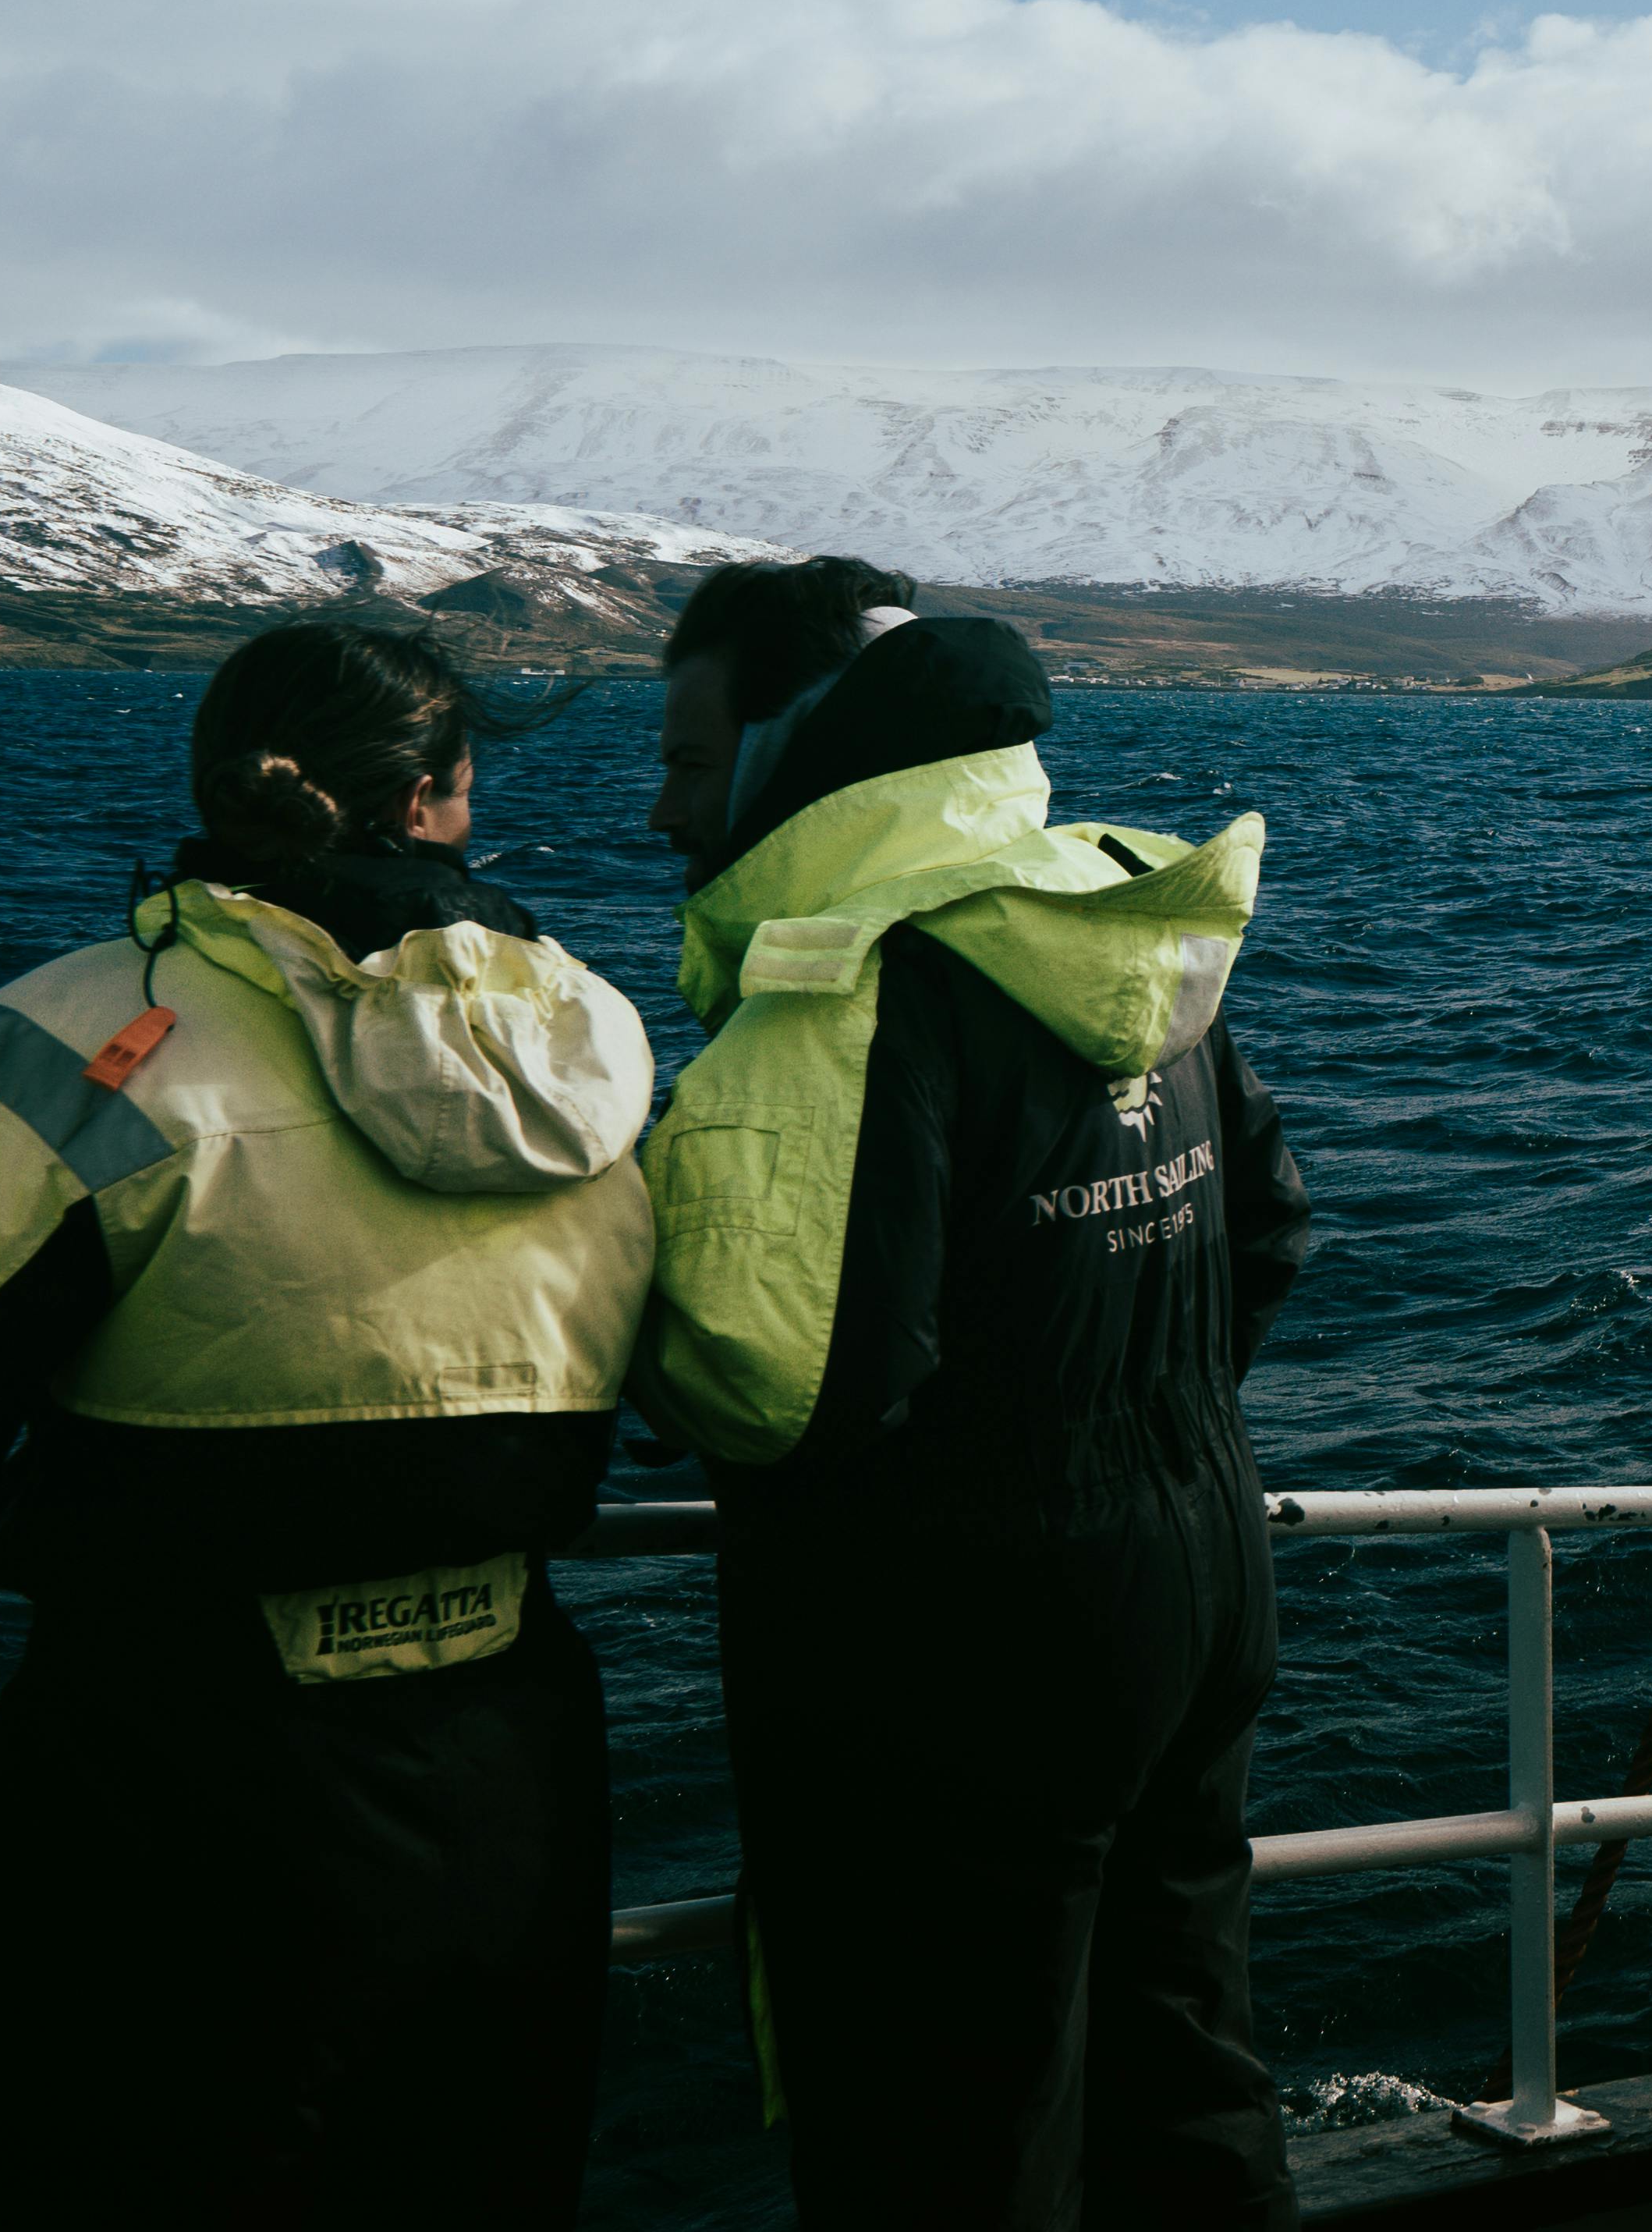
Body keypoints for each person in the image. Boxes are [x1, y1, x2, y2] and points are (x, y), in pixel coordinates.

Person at [0, 622, 656, 2226]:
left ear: (218, 784)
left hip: (172, 1801)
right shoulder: (588, 1055)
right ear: (444, 797)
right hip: (510, 1792)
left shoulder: (66, 1046)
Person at [638, 557, 1314, 2229]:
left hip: (966, 1638)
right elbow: (1272, 1226)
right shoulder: (1103, 912)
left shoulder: (856, 977)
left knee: (951, 2138)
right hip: (1196, 1565)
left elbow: (805, 1379)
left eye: (689, 752)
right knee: (1186, 2074)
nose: (667, 807)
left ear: (795, 742)